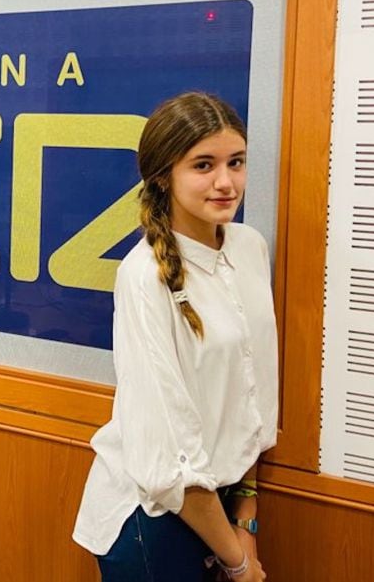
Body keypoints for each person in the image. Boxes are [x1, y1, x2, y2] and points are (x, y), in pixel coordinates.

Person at [73, 92, 278, 582]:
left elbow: (248, 397)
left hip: (224, 509)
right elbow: (171, 460)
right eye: (203, 165)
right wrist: (239, 561)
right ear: (164, 176)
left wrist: (245, 516)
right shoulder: (144, 276)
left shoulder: (249, 248)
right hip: (155, 520)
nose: (226, 182)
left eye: (236, 162)